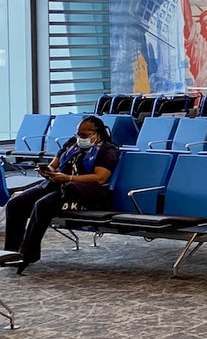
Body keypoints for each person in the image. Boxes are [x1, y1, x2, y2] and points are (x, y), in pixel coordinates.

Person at [3, 116, 121, 274]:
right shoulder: (72, 143)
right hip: (57, 184)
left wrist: (68, 178)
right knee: (15, 204)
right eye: (78, 134)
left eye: (84, 135)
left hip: (83, 193)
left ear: (96, 133)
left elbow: (100, 178)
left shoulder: (108, 150)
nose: (80, 138)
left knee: (43, 205)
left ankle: (27, 254)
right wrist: (47, 171)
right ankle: (11, 252)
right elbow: (54, 165)